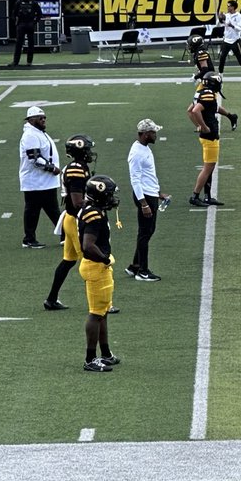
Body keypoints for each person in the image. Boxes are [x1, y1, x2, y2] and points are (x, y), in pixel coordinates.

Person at [44, 134, 97, 311]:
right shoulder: (76, 169)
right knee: (90, 261)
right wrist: (97, 204)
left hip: (71, 218)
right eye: (87, 149)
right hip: (76, 219)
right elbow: (77, 201)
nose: (90, 152)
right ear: (80, 151)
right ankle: (99, 303)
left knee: (68, 261)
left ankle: (51, 299)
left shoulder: (79, 166)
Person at [77, 175, 121, 372]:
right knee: (96, 314)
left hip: (96, 266)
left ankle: (105, 353)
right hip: (96, 267)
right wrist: (104, 258)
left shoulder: (92, 209)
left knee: (102, 312)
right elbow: (88, 245)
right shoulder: (94, 214)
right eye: (109, 194)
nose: (112, 198)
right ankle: (90, 359)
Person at [125, 118, 169, 282]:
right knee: (145, 233)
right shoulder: (137, 153)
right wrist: (144, 204)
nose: (156, 135)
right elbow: (135, 180)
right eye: (153, 133)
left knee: (148, 232)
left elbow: (147, 177)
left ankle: (135, 266)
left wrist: (158, 193)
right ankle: (142, 271)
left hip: (150, 195)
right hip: (144, 197)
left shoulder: (144, 148)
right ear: (144, 134)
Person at [188, 74, 238, 208]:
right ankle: (195, 196)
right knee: (208, 168)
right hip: (210, 137)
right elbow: (195, 111)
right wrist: (203, 127)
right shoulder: (208, 95)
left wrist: (198, 126)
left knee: (209, 167)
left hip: (207, 136)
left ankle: (207, 196)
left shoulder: (201, 92)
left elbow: (190, 110)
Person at [19, 105, 61, 249]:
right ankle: (29, 239)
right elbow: (35, 158)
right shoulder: (30, 135)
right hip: (35, 181)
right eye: (40, 118)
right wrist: (52, 168)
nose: (43, 120)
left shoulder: (38, 132)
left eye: (44, 117)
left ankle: (64, 236)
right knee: (33, 210)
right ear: (31, 120)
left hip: (44, 181)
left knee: (52, 209)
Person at [218, 0, 241, 73]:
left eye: (229, 6)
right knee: (222, 58)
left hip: (235, 41)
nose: (228, 8)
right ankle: (220, 75)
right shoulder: (227, 15)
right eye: (227, 6)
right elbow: (221, 23)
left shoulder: (239, 16)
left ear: (233, 7)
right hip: (226, 40)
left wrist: (232, 25)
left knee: (240, 59)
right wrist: (220, 18)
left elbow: (239, 28)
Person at [12, 0, 41, 66]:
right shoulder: (19, 2)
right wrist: (16, 22)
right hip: (21, 24)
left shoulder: (34, 3)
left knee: (31, 44)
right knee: (18, 44)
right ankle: (15, 61)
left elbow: (39, 14)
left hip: (30, 24)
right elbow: (14, 13)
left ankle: (29, 61)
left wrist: (34, 22)